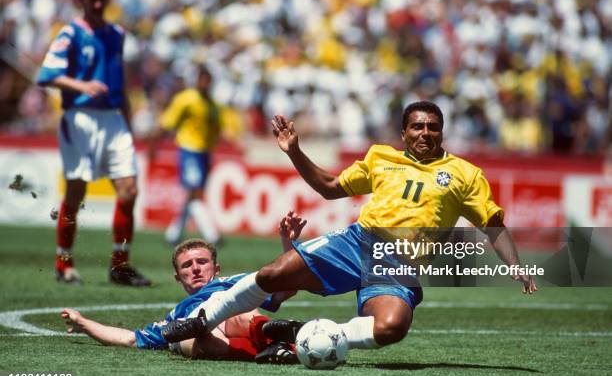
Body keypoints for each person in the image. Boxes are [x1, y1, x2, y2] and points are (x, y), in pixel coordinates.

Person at [162, 100, 538, 353]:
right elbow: (329, 188)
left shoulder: (465, 175)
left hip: (400, 266)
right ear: (404, 132)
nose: (425, 133)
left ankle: (315, 336)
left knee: (392, 327)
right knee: (274, 273)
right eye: (417, 127)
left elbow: (493, 224)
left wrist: (514, 264)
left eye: (433, 127)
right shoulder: (380, 157)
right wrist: (294, 151)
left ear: (443, 132)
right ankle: (200, 321)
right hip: (357, 242)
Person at [60, 211, 307, 362]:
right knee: (187, 338)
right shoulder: (176, 314)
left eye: (202, 262)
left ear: (216, 269)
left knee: (239, 308)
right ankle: (275, 350)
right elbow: (130, 339)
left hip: (235, 316)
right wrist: (83, 323)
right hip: (198, 331)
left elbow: (285, 286)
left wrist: (288, 242)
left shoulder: (229, 283)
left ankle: (273, 334)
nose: (196, 268)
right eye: (187, 266)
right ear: (178, 277)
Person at [36, 0, 149, 286]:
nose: (98, 4)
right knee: (76, 192)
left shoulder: (116, 33)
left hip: (113, 118)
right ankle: (64, 262)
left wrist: (128, 122)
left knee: (129, 190)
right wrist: (81, 86)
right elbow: (45, 75)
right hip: (80, 118)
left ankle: (120, 265)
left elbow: (120, 81)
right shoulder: (70, 33)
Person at [149, 65, 222, 246]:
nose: (205, 83)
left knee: (193, 196)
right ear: (197, 80)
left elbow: (216, 131)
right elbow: (167, 123)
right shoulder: (186, 99)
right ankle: (212, 234)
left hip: (204, 153)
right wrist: (154, 146)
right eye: (202, 79)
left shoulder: (212, 104)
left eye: (208, 80)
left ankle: (173, 234)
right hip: (189, 149)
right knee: (194, 192)